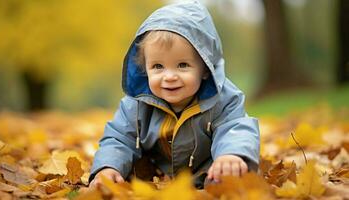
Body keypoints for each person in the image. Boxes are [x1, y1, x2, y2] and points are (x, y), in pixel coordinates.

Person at [89, 1, 259, 188]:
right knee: (126, 175)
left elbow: (235, 127)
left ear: (205, 69)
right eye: (158, 66)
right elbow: (119, 137)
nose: (169, 77)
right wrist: (108, 167)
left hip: (207, 171)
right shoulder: (136, 105)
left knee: (231, 178)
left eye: (182, 65)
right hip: (156, 176)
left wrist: (231, 154)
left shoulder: (223, 99)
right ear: (145, 69)